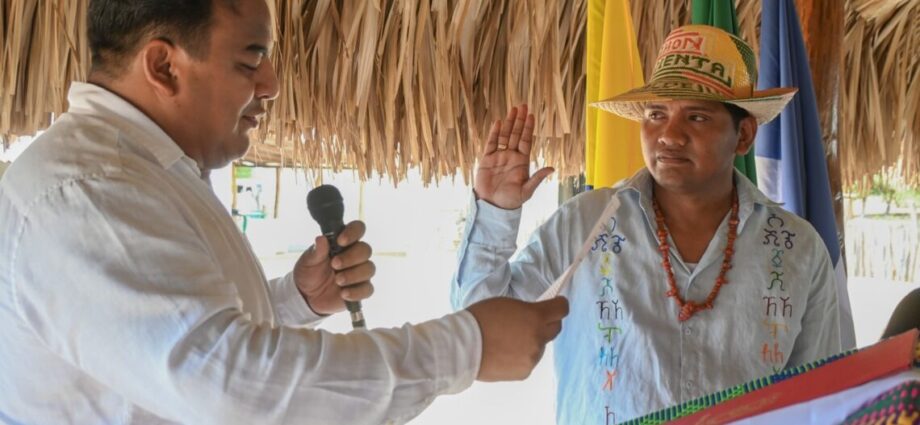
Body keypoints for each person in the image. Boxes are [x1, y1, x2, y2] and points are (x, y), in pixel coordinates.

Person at [0, 0, 569, 423]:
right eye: (250, 60)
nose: (271, 85)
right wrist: (466, 347)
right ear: (164, 67)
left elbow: (172, 341)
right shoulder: (88, 190)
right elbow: (231, 386)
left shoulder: (140, 175)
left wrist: (296, 300)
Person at [452, 24, 842, 424]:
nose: (669, 135)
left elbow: (826, 393)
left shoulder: (797, 247)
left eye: (697, 117)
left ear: (743, 135)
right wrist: (495, 211)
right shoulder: (584, 223)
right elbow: (477, 323)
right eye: (656, 114)